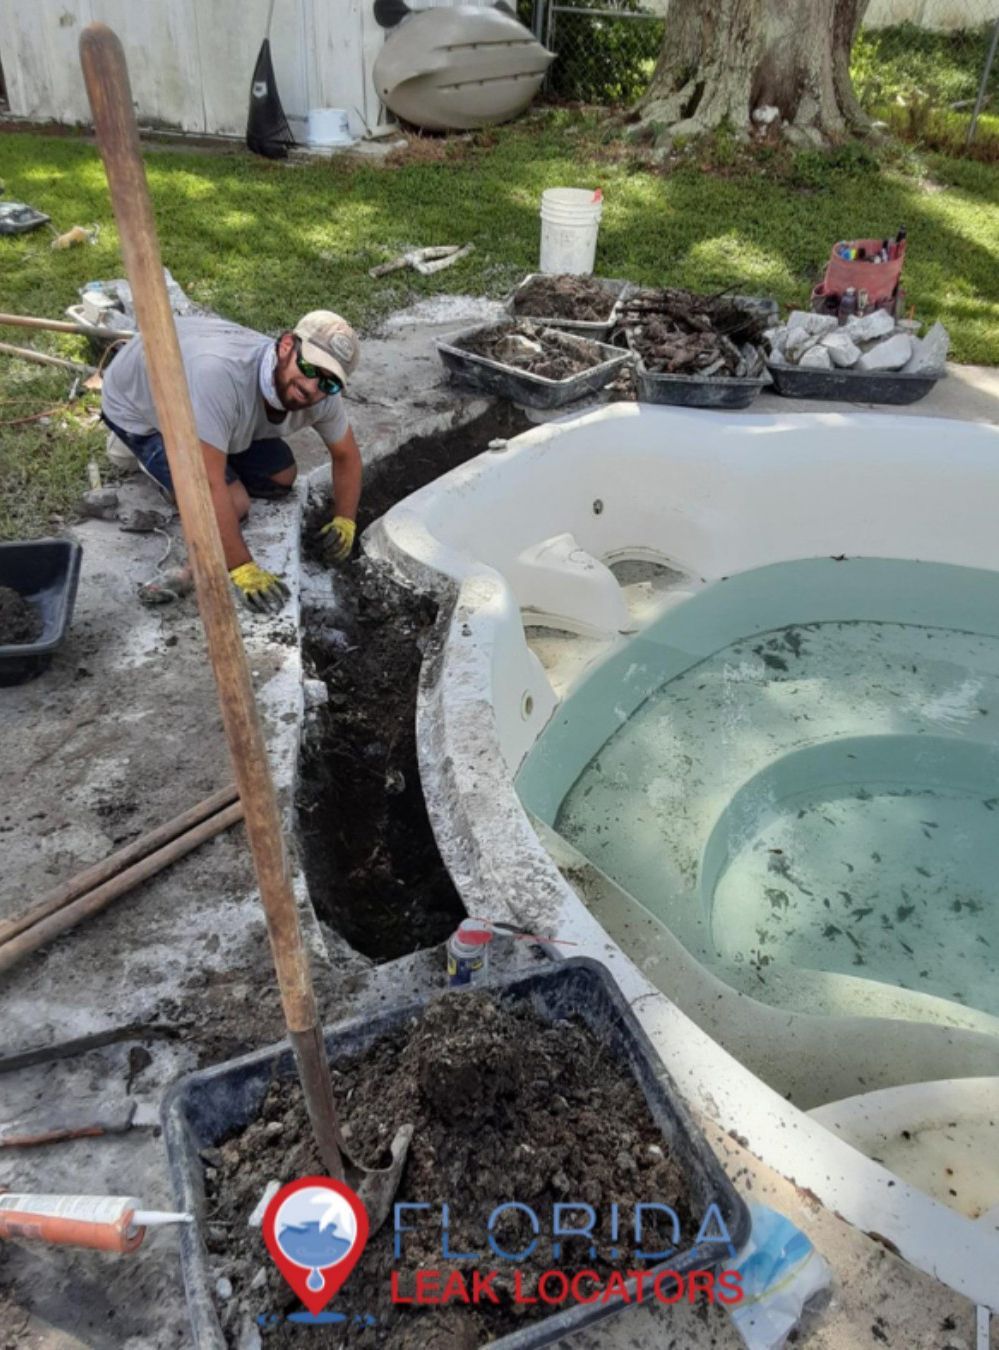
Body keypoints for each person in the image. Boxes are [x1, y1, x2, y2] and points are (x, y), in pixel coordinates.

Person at [101, 310, 362, 613]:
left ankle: (213, 441)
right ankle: (156, 463)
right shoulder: (220, 377)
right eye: (309, 367)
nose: (312, 386)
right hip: (140, 406)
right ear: (287, 346)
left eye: (329, 382)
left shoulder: (322, 396)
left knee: (281, 477)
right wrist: (241, 567)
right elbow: (207, 485)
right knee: (234, 503)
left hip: (210, 400)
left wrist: (346, 519)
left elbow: (347, 456)